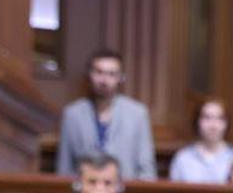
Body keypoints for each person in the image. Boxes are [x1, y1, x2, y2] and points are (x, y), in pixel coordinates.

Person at [56, 49, 157, 181]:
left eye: (111, 74)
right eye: (99, 72)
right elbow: (64, 168)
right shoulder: (72, 114)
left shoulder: (137, 114)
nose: (104, 80)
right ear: (89, 75)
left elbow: (146, 167)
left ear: (120, 78)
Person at [168, 98, 233, 193]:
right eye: (207, 118)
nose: (213, 125)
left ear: (226, 123)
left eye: (219, 118)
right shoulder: (183, 158)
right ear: (198, 121)